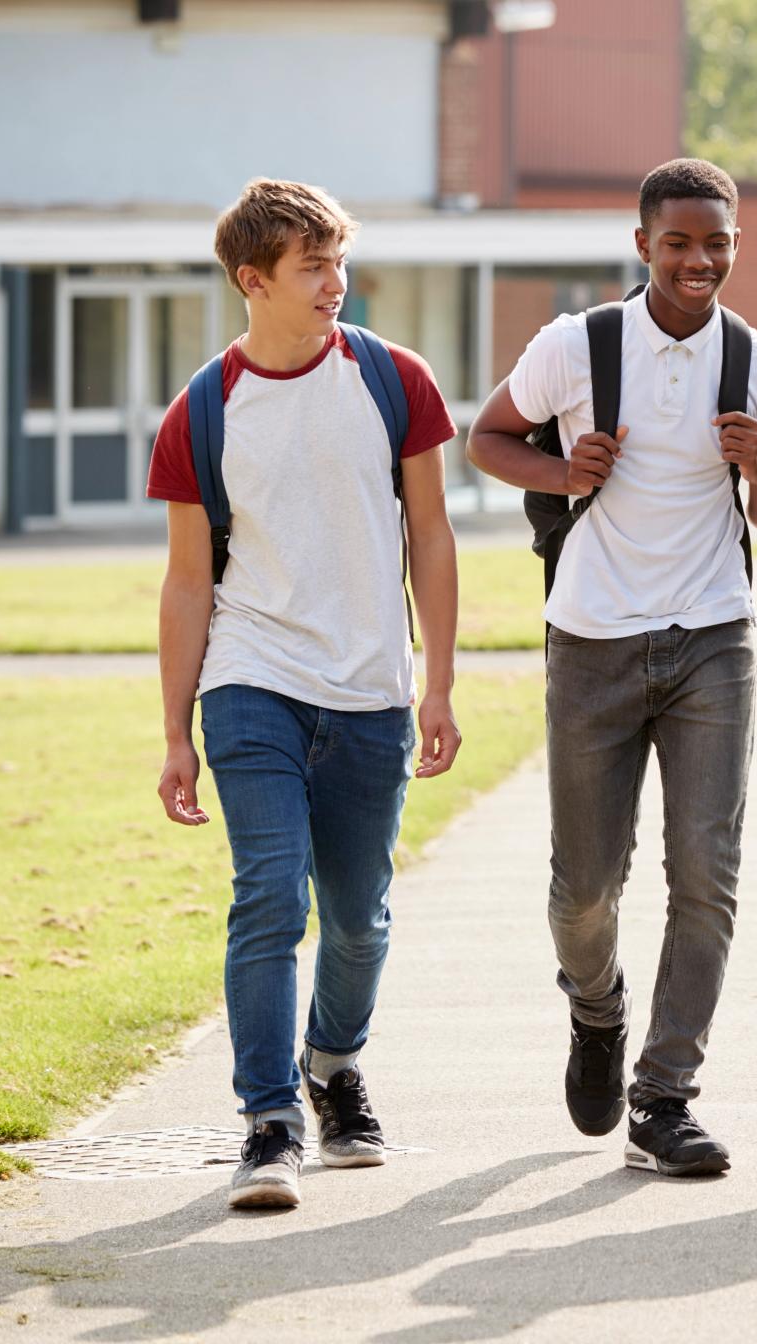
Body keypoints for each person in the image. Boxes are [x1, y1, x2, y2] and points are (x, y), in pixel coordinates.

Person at [465, 158, 757, 1178]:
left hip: (713, 637)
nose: (699, 261)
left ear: (736, 245)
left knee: (706, 873)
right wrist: (561, 470)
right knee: (584, 889)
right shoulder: (577, 346)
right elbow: (487, 437)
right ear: (643, 244)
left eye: (717, 243)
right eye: (679, 243)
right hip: (593, 639)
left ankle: (663, 1098)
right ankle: (597, 1008)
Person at [150, 178, 463, 1210]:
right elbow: (188, 581)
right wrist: (175, 732)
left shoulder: (394, 381)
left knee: (359, 920)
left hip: (371, 687)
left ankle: (333, 1065)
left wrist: (439, 683)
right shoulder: (202, 412)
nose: (337, 283)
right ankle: (269, 1122)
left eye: (339, 262)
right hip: (253, 680)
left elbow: (430, 535)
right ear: (253, 280)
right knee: (272, 896)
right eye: (313, 267)